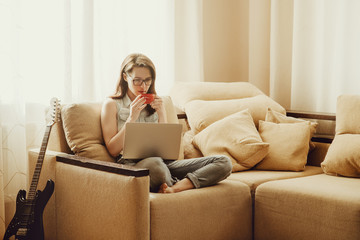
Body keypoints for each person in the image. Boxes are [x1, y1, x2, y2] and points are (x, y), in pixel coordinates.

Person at [101, 53, 232, 193]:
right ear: (125, 77)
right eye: (137, 80)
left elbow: (166, 150)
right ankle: (173, 181)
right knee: (155, 165)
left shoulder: (156, 103)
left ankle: (175, 187)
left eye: (147, 80)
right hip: (134, 164)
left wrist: (162, 113)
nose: (143, 86)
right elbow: (113, 149)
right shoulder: (111, 104)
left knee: (224, 162)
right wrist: (131, 118)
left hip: (165, 162)